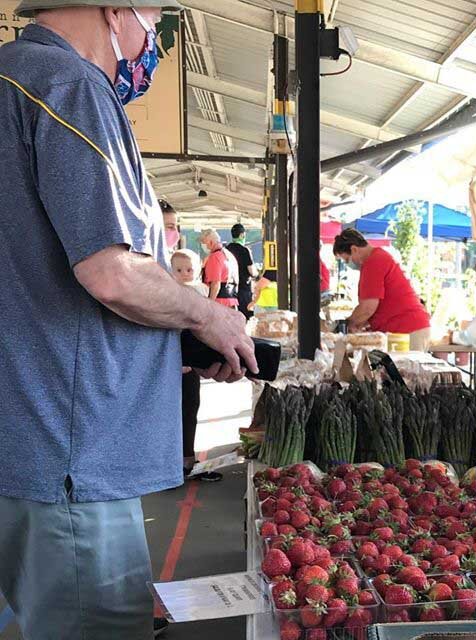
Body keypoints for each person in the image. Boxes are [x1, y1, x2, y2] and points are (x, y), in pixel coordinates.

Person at [0, 3, 258, 639]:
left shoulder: (9, 76)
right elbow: (111, 273)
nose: (151, 44)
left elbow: (33, 280)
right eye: (154, 22)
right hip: (68, 453)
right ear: (116, 10)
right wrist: (208, 315)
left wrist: (176, 338)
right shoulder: (68, 85)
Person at [333, 229, 433, 350]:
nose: (349, 264)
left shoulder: (373, 262)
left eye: (347, 260)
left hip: (406, 331)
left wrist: (348, 324)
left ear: (354, 249)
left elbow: (367, 308)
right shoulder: (377, 257)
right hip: (405, 329)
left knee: (401, 368)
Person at [170, 250, 222, 482]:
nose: (184, 274)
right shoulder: (166, 297)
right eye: (178, 270)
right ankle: (172, 463)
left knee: (191, 407)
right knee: (174, 413)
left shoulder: (199, 294)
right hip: (174, 364)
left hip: (192, 365)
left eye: (189, 270)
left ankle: (187, 459)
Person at [200, 228, 240, 310]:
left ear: (210, 242)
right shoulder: (228, 255)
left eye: (203, 243)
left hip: (219, 303)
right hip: (232, 301)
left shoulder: (215, 257)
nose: (203, 246)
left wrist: (210, 304)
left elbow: (215, 283)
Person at [226, 223, 257, 320]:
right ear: (242, 235)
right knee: (245, 316)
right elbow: (252, 271)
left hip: (230, 289)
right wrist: (257, 274)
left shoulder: (226, 249)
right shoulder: (245, 250)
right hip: (244, 288)